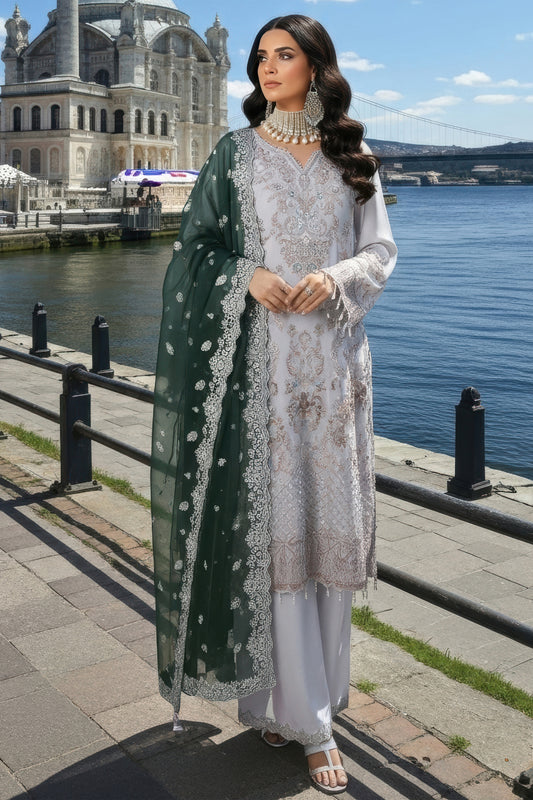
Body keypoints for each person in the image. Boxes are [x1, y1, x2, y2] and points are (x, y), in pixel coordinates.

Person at [151, 14, 397, 795]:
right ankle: (294, 714)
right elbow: (195, 251)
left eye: (284, 55)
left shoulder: (352, 157)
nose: (266, 67)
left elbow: (380, 251)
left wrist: (334, 277)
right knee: (273, 538)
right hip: (257, 376)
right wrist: (247, 276)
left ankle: (311, 707)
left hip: (332, 373)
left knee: (324, 540)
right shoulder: (233, 154)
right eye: (260, 56)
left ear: (315, 67)